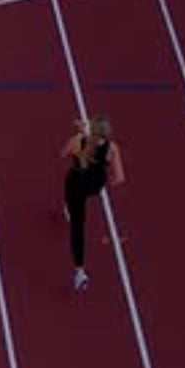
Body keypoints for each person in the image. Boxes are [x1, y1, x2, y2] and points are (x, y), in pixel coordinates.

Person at [62, 115, 125, 291]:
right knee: (82, 197)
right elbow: (119, 178)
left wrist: (80, 135)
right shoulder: (112, 148)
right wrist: (105, 181)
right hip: (95, 184)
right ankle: (79, 272)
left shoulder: (77, 141)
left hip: (76, 185)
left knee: (77, 226)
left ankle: (80, 271)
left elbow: (64, 153)